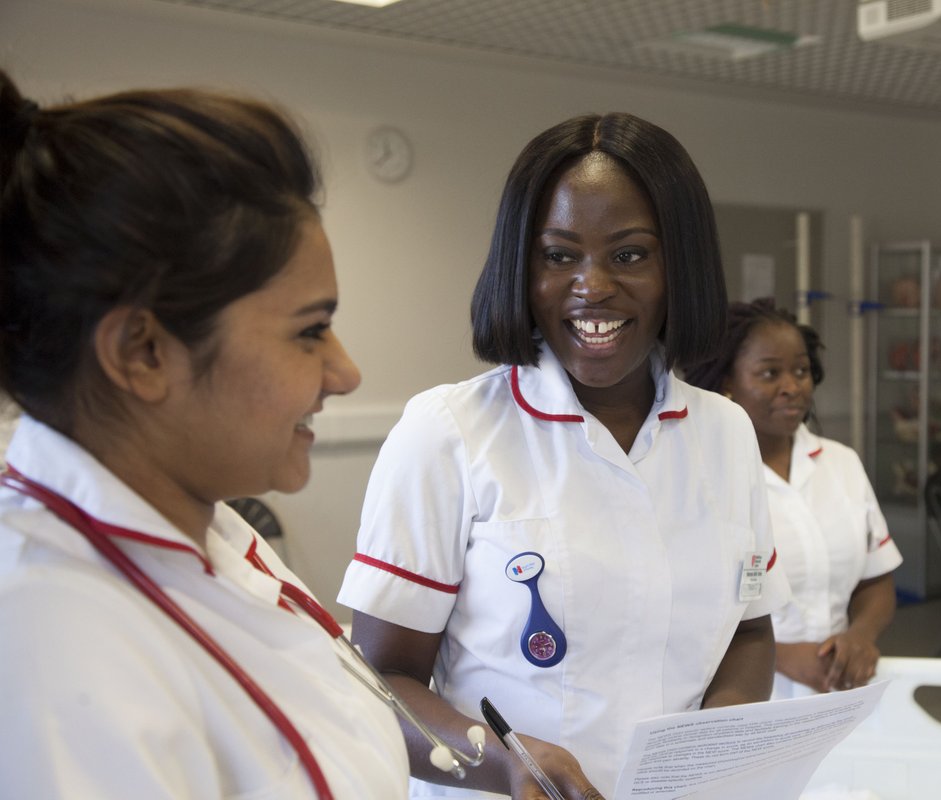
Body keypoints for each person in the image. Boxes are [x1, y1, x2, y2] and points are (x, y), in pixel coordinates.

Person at [338, 112, 788, 799]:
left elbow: (751, 632)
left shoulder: (725, 431)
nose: (593, 285)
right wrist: (506, 765)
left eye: (630, 254)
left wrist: (710, 749)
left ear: (680, 265)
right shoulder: (450, 432)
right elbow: (381, 684)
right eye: (558, 255)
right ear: (523, 267)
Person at [0, 71, 415, 797]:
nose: (346, 373)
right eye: (310, 331)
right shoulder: (46, 636)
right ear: (144, 353)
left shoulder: (210, 529)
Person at [684, 298, 901, 697]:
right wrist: (781, 656)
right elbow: (680, 612)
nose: (792, 387)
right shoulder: (697, 477)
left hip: (840, 687)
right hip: (740, 695)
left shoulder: (841, 463)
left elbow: (877, 579)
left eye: (801, 371)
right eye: (770, 373)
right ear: (727, 382)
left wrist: (859, 636)